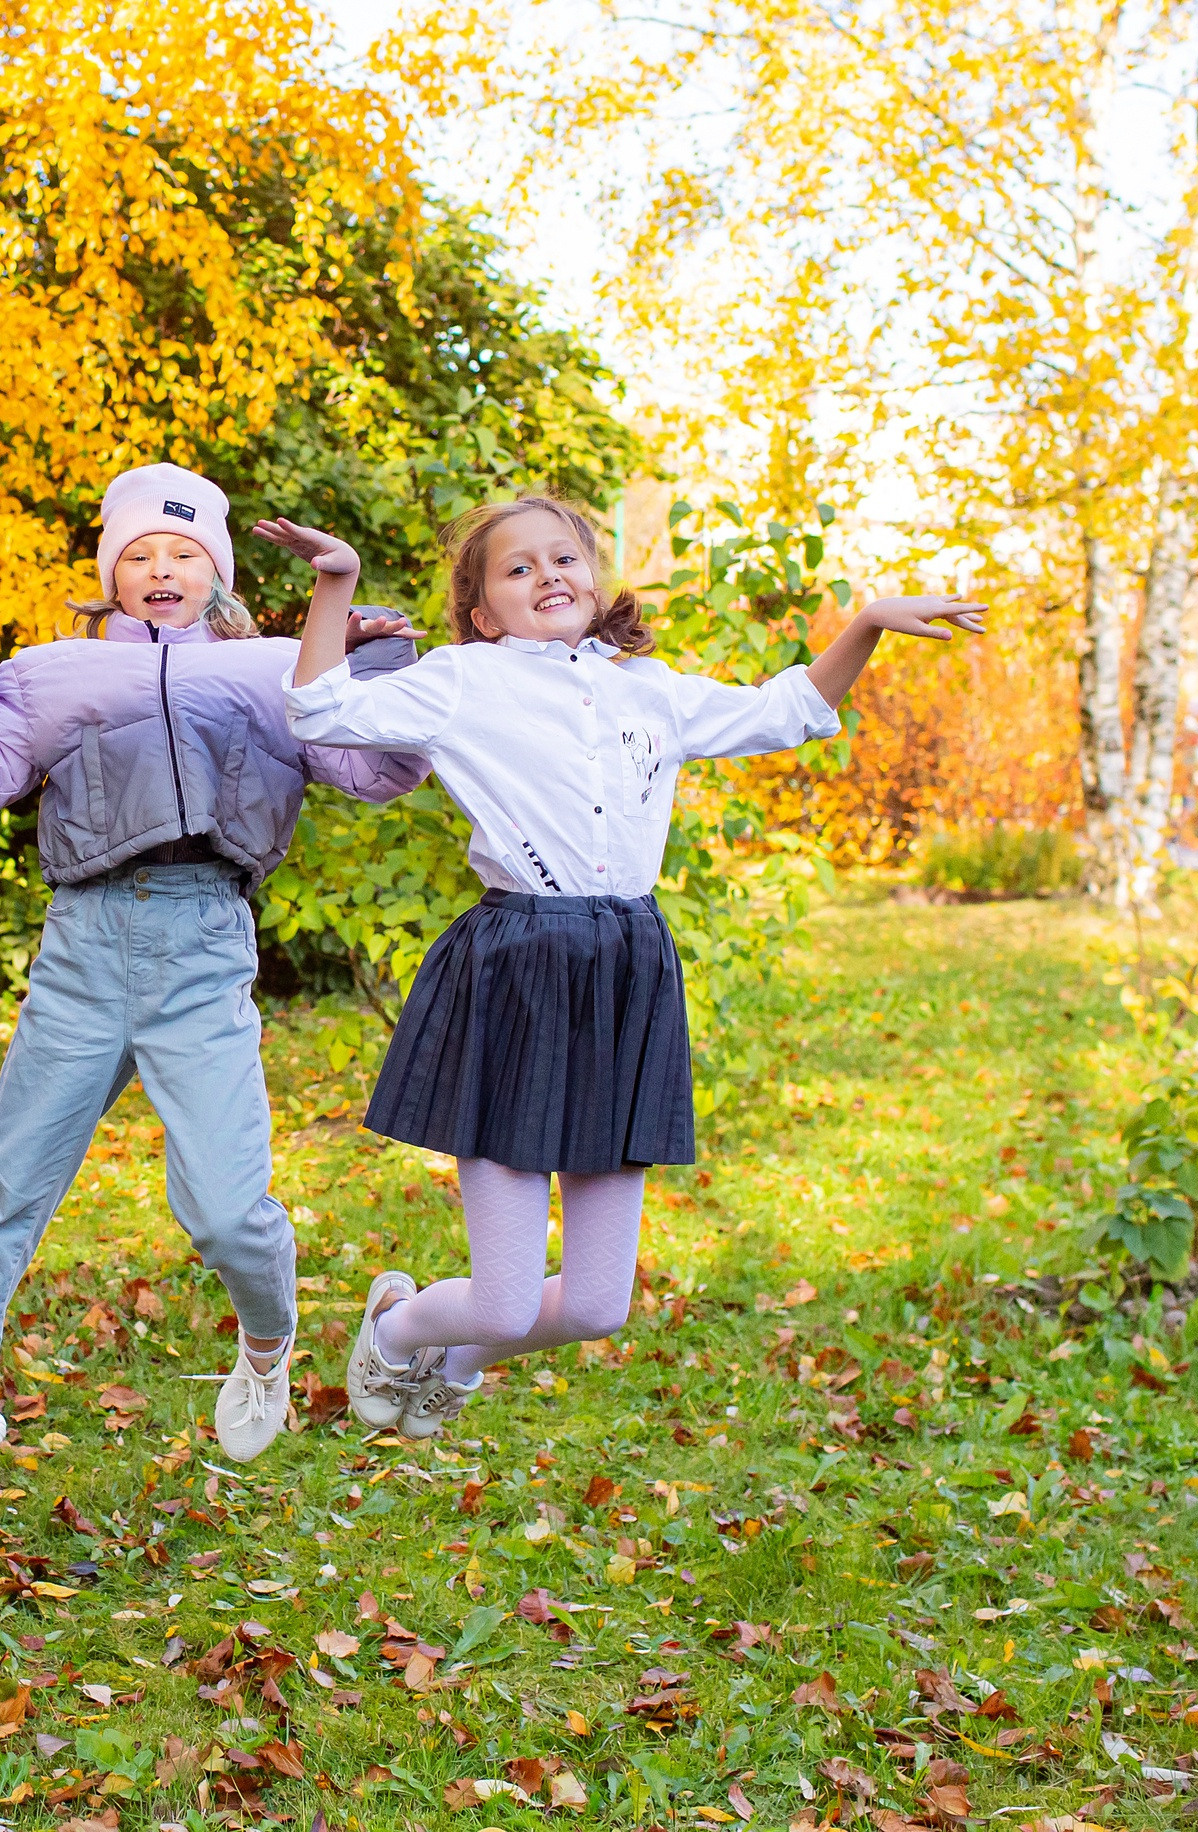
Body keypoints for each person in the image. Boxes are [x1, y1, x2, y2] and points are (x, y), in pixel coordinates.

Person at [274, 495, 984, 1438]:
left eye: (563, 558)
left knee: (601, 1305)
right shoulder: (463, 679)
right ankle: (399, 1330)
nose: (548, 577)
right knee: (503, 1300)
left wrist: (864, 625)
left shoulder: (647, 688)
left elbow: (792, 710)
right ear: (483, 611)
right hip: (518, 970)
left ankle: (458, 1364)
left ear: (594, 578)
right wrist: (337, 583)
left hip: (626, 973)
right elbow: (319, 708)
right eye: (518, 569)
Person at [0, 465, 431, 1515]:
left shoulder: (279, 667)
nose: (160, 568)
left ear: (215, 571)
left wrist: (382, 665)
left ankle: (265, 1343)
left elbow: (375, 774)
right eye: (137, 554)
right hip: (82, 945)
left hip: (202, 944)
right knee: (7, 1188)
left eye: (181, 552)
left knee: (228, 1210)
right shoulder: (55, 671)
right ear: (110, 575)